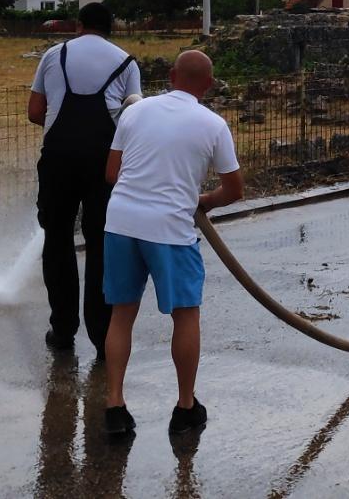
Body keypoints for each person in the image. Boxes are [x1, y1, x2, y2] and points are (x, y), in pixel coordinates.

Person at [100, 50, 244, 439]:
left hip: (121, 222)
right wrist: (204, 201)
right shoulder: (213, 124)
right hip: (171, 230)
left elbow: (112, 173)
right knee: (185, 315)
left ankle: (115, 406)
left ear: (170, 75)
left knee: (121, 313)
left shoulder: (134, 112)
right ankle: (185, 408)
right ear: (209, 85)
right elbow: (234, 190)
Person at [29, 2, 142, 355]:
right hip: (104, 165)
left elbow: (35, 111)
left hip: (58, 159)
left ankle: (62, 329)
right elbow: (135, 118)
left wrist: (62, 126)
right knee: (101, 244)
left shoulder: (54, 55)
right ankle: (101, 335)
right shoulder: (126, 62)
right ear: (111, 28)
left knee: (57, 240)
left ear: (79, 26)